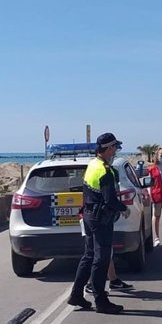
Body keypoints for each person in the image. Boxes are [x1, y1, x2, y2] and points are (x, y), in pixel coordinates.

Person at [68, 132, 129, 314]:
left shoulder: (93, 164)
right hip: (101, 219)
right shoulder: (105, 171)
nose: (116, 150)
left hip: (88, 215)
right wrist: (124, 209)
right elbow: (110, 200)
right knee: (101, 259)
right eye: (115, 147)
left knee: (88, 256)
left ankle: (77, 294)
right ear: (109, 148)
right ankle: (101, 300)